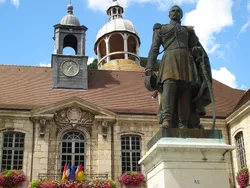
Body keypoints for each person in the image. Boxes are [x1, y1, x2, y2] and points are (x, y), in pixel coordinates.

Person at [145, 5, 212, 129]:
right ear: (169, 15)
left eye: (178, 11)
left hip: (187, 62)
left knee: (185, 93)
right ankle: (167, 120)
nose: (175, 12)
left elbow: (194, 47)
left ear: (181, 15)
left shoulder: (188, 31)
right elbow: (154, 48)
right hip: (169, 60)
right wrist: (149, 68)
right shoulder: (161, 29)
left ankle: (183, 123)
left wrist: (197, 50)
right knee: (168, 90)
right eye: (173, 11)